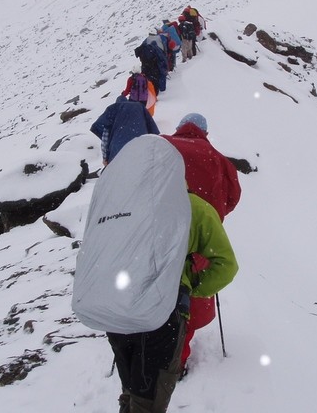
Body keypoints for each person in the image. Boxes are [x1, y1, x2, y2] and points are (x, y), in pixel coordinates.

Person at [76, 135, 238, 413]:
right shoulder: (194, 207)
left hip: (116, 311)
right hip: (163, 315)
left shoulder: (124, 207)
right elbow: (226, 264)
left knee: (131, 389)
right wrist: (192, 286)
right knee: (149, 400)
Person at [163, 113, 242, 374]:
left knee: (152, 291)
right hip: (198, 242)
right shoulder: (216, 158)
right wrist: (209, 217)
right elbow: (232, 198)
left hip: (156, 234)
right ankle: (176, 362)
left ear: (179, 127)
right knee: (186, 305)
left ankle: (146, 353)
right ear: (204, 132)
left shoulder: (162, 145)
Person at [90, 95, 159, 166]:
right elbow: (152, 128)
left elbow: (105, 138)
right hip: (140, 144)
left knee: (119, 172)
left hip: (118, 147)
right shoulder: (139, 107)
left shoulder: (113, 110)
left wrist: (105, 158)